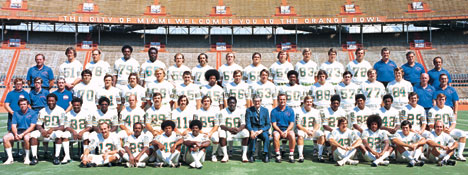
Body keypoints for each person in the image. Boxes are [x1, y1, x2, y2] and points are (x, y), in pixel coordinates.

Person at [428, 93, 466, 161]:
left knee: (462, 134)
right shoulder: (432, 110)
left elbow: (453, 122)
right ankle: (440, 154)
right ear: (436, 100)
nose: (441, 101)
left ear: (445, 100)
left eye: (442, 99)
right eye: (439, 99)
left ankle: (459, 154)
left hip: (447, 129)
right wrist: (441, 129)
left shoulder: (449, 109)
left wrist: (450, 129)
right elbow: (430, 124)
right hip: (437, 130)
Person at [30, 94, 65, 165]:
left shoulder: (61, 110)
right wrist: (42, 130)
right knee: (33, 134)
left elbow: (62, 126)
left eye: (52, 100)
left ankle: (56, 157)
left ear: (56, 101)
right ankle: (34, 157)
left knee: (59, 134)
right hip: (45, 131)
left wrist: (53, 129)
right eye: (49, 101)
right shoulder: (42, 111)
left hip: (55, 131)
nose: (51, 102)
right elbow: (38, 125)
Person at [2, 98, 37, 165]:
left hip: (28, 131)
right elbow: (14, 125)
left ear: (28, 105)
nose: (23, 106)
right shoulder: (16, 113)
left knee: (26, 138)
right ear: (19, 105)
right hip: (18, 131)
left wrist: (22, 134)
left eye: (24, 104)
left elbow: (32, 127)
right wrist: (15, 134)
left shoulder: (33, 113)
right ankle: (10, 158)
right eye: (21, 104)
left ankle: (27, 157)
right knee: (5, 138)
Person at [218, 97, 250, 162]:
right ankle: (225, 155)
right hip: (227, 131)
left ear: (236, 103)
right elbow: (221, 125)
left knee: (246, 132)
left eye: (233, 103)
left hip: (237, 131)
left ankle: (244, 155)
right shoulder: (222, 112)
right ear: (227, 103)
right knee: (221, 133)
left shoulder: (241, 111)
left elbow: (243, 124)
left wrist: (238, 129)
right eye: (230, 103)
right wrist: (229, 129)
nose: (232, 104)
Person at [62, 97, 92, 164]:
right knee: (64, 135)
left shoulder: (86, 113)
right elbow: (66, 126)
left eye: (78, 105)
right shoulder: (68, 114)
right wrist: (73, 131)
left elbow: (90, 126)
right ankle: (67, 156)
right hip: (73, 132)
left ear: (81, 105)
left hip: (83, 132)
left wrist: (82, 131)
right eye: (74, 105)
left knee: (86, 136)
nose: (76, 106)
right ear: (72, 105)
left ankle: (85, 156)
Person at [296, 96, 325, 162]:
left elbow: (317, 124)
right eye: (307, 102)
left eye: (310, 102)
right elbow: (298, 125)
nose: (309, 103)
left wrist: (313, 131)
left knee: (321, 134)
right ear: (304, 102)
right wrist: (306, 131)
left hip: (312, 130)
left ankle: (320, 155)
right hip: (303, 130)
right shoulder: (299, 111)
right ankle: (301, 155)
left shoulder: (316, 111)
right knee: (300, 134)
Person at [193, 96, 221, 162]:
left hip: (211, 131)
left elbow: (216, 125)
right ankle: (199, 151)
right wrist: (201, 132)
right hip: (201, 131)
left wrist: (210, 133)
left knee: (216, 139)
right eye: (205, 101)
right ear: (202, 102)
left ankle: (213, 154)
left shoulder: (215, 112)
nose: (206, 102)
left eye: (208, 101)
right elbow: (195, 124)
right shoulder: (197, 112)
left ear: (210, 102)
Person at [245, 95, 271, 163]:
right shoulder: (249, 110)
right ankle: (252, 154)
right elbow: (248, 123)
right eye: (255, 101)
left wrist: (261, 130)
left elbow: (268, 124)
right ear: (253, 102)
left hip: (262, 129)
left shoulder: (265, 110)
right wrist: (251, 131)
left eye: (258, 101)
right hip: (253, 128)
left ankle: (266, 154)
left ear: (261, 102)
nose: (257, 103)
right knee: (253, 137)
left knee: (266, 137)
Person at [271, 94, 296, 163]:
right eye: (280, 99)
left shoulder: (290, 110)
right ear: (278, 100)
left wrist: (286, 131)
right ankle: (278, 154)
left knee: (292, 135)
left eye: (284, 99)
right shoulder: (274, 111)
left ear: (286, 100)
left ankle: (291, 155)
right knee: (275, 135)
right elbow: (274, 124)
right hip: (278, 130)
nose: (282, 101)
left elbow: (291, 123)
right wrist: (280, 131)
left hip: (287, 129)